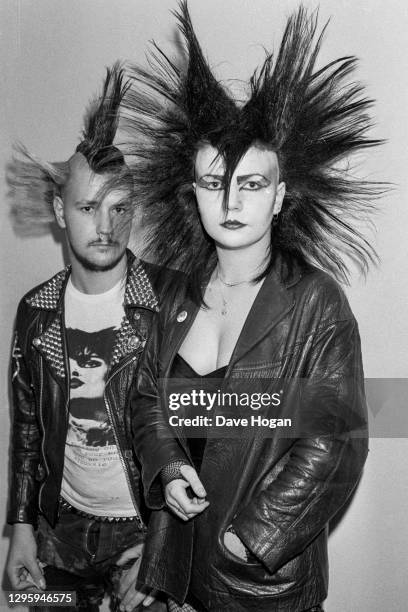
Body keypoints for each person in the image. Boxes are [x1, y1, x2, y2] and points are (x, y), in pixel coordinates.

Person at [121, 3, 382, 611]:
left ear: (281, 196)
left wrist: (253, 537)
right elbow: (145, 400)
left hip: (265, 585)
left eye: (253, 184)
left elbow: (337, 437)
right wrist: (165, 467)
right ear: (194, 192)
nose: (231, 200)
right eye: (214, 183)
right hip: (179, 573)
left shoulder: (315, 303)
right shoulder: (173, 295)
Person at [6, 64, 167, 611]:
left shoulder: (168, 305)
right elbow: (28, 429)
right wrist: (21, 528)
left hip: (142, 534)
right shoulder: (35, 312)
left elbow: (201, 438)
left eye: (119, 207)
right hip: (59, 534)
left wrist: (165, 546)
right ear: (59, 211)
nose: (104, 226)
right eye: (87, 207)